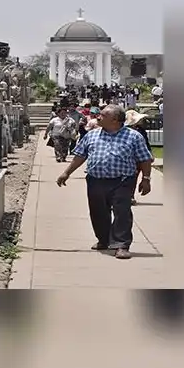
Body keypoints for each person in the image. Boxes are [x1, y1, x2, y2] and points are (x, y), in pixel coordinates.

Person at [56, 105, 154, 259]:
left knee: (122, 213)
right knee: (98, 212)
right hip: (95, 180)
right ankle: (103, 239)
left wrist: (146, 179)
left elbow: (145, 159)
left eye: (102, 115)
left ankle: (121, 244)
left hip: (122, 181)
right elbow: (80, 156)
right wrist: (66, 173)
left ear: (114, 120)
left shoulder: (134, 136)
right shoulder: (92, 135)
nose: (98, 117)